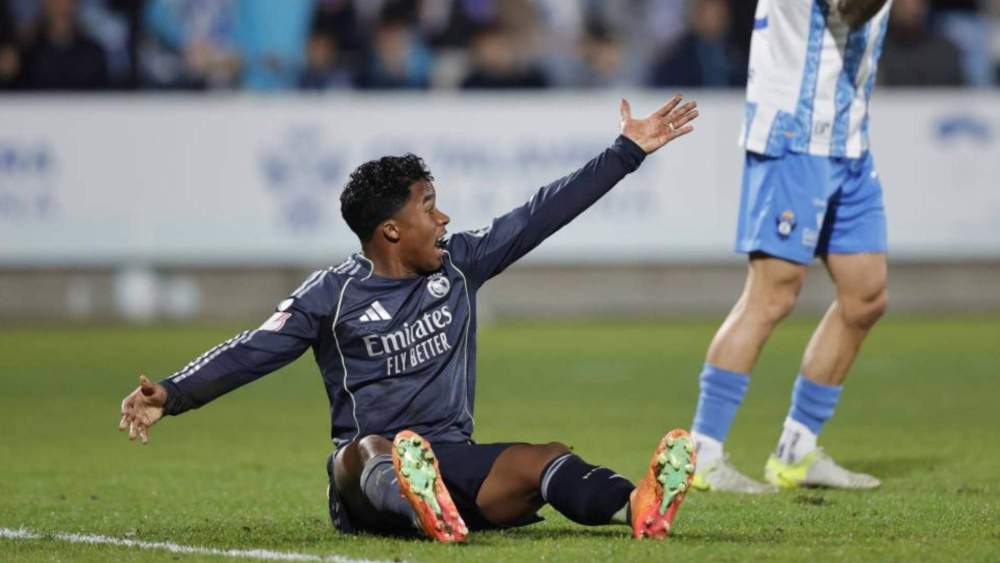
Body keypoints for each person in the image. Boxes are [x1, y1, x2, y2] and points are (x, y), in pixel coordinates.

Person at [118, 95, 701, 542]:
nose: (443, 218)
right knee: (364, 450)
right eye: (429, 206)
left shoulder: (459, 266)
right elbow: (254, 348)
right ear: (391, 230)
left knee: (544, 458)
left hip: (451, 463)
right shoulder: (332, 294)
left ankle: (637, 505)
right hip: (367, 487)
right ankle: (417, 499)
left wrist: (626, 152)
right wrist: (172, 391)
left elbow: (538, 215)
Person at [688, 0, 893, 493]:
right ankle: (703, 453)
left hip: (848, 138)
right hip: (794, 135)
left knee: (865, 296)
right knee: (772, 294)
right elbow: (851, 9)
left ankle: (797, 450)